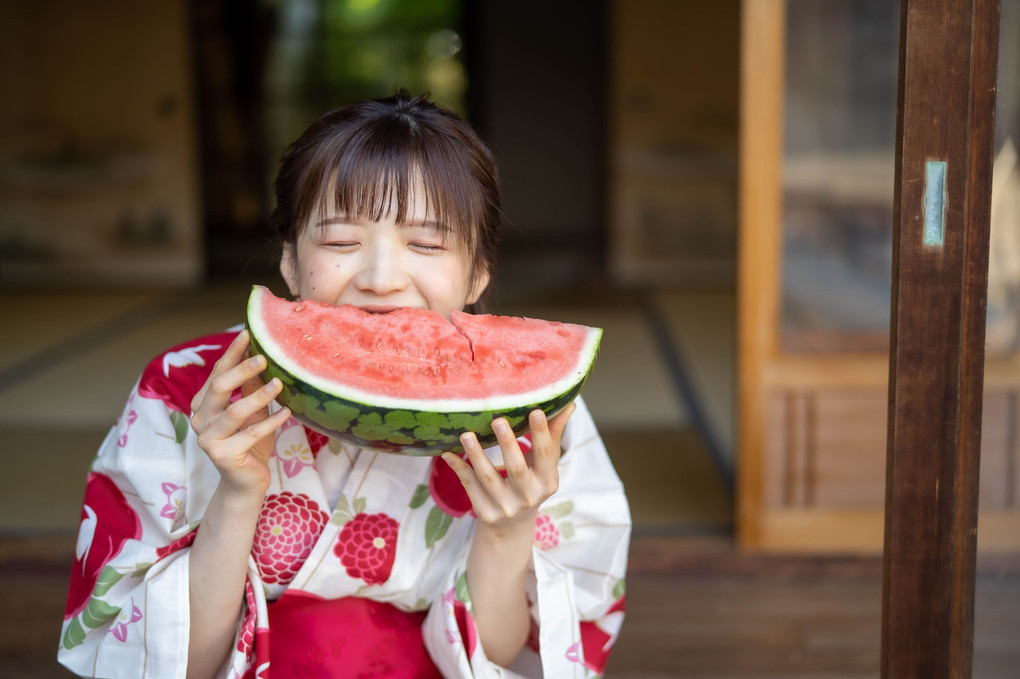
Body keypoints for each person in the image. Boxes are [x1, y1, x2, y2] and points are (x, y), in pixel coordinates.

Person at [58, 91, 630, 679]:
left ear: (477, 273)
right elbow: (179, 662)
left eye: (427, 245)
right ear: (289, 259)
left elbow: (506, 655)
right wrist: (236, 493)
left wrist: (507, 530)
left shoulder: (528, 413)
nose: (381, 280)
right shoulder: (184, 391)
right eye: (340, 242)